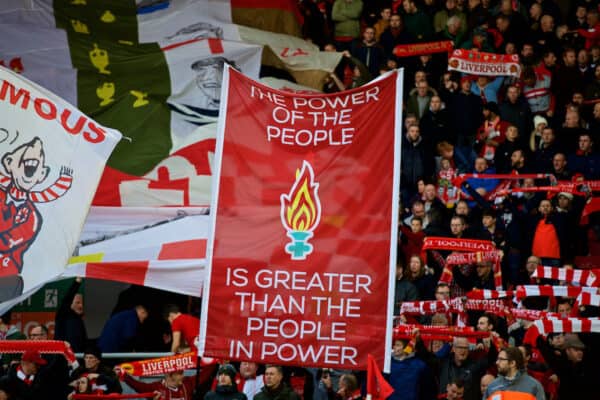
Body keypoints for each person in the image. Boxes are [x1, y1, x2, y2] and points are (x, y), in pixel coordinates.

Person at [54, 276, 88, 352]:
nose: (81, 305)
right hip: (63, 359)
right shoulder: (64, 315)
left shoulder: (79, 320)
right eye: (77, 303)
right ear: (70, 304)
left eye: (82, 303)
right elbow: (67, 299)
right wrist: (77, 282)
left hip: (77, 359)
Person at [124, 369, 199, 400]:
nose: (183, 376)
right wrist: (124, 376)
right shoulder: (156, 387)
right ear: (171, 375)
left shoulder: (187, 383)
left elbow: (205, 374)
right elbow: (138, 386)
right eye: (180, 374)